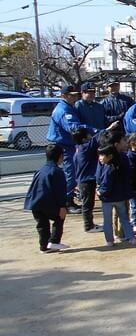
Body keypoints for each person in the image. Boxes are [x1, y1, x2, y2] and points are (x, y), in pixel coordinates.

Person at [47, 84, 94, 212]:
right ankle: (67, 202)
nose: (74, 97)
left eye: (75, 95)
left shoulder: (68, 107)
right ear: (64, 96)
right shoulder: (63, 109)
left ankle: (66, 200)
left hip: (66, 144)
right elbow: (73, 127)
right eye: (71, 95)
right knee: (70, 173)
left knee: (69, 173)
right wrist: (91, 130)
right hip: (62, 145)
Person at [24, 144, 69, 254]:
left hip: (35, 203)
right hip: (47, 203)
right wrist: (62, 206)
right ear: (60, 157)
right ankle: (54, 241)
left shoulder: (40, 170)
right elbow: (60, 191)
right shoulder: (58, 172)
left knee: (42, 225)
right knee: (60, 217)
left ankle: (44, 246)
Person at [96, 139, 136, 247]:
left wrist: (100, 192)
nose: (100, 158)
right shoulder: (121, 164)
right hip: (120, 198)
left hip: (108, 199)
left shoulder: (108, 168)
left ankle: (109, 240)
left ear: (110, 156)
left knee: (107, 221)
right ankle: (131, 238)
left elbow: (106, 184)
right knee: (124, 219)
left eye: (102, 156)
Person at [73, 127, 107, 233]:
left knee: (88, 203)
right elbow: (96, 139)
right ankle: (88, 226)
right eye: (88, 135)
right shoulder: (85, 147)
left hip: (84, 180)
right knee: (87, 204)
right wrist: (108, 128)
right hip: (86, 181)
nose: (90, 136)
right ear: (83, 139)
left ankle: (90, 224)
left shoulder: (79, 148)